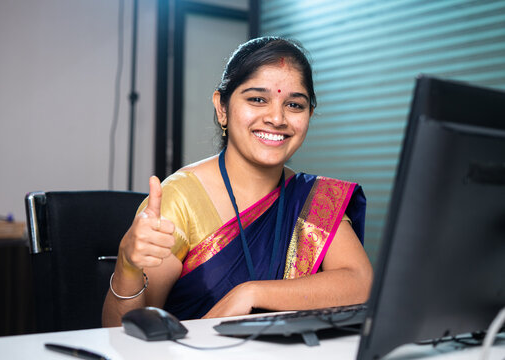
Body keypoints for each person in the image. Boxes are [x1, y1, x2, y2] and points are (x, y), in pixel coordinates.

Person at [102, 36, 373, 325]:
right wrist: (127, 268)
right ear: (222, 107)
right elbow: (125, 333)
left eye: (294, 105)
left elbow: (360, 283)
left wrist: (250, 293)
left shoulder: (312, 199)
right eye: (257, 99)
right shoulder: (180, 199)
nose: (277, 118)